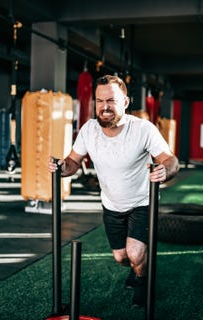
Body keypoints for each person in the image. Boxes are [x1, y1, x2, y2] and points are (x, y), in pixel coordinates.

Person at [48, 75, 179, 307]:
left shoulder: (143, 129)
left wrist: (164, 171)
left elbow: (171, 160)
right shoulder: (89, 130)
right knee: (122, 257)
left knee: (136, 253)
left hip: (142, 201)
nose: (104, 106)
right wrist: (61, 166)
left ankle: (142, 278)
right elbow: (73, 162)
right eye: (99, 101)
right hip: (111, 204)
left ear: (125, 102)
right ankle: (135, 268)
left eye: (111, 100)